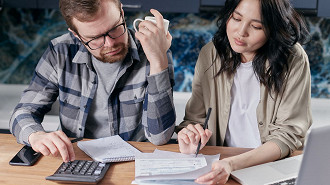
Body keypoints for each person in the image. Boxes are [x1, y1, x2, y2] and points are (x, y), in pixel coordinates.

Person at [9, 0, 175, 163]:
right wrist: (36, 136)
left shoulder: (154, 49)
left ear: (122, 13)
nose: (110, 43)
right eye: (94, 38)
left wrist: (158, 61)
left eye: (115, 28)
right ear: (76, 35)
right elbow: (23, 113)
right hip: (75, 160)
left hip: (132, 164)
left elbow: (159, 137)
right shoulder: (60, 51)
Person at [176, 0, 312, 184]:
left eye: (256, 26)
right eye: (236, 18)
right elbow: (195, 119)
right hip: (220, 168)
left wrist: (232, 164)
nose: (241, 32)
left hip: (270, 169)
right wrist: (190, 138)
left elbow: (287, 136)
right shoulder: (210, 54)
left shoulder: (294, 59)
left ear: (273, 28)